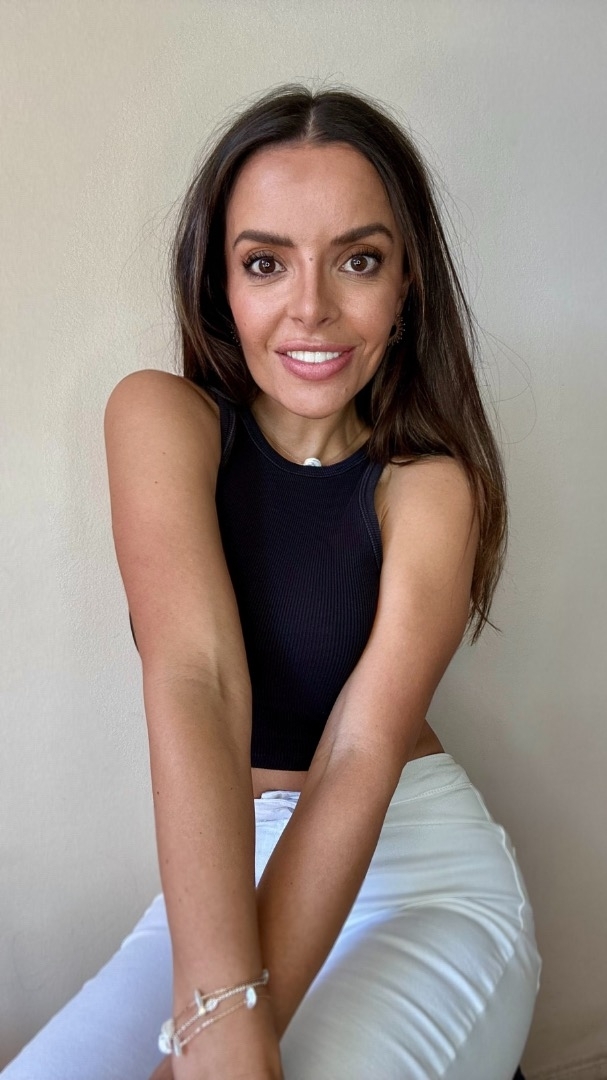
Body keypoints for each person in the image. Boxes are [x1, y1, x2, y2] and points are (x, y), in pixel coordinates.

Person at [4, 84, 541, 1080]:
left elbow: (357, 755)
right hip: (223, 878)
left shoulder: (429, 487)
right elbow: (196, 679)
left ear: (406, 284)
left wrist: (226, 1035)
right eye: (265, 263)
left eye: (358, 260)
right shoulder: (158, 418)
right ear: (220, 283)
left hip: (414, 873)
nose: (310, 307)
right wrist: (217, 1013)